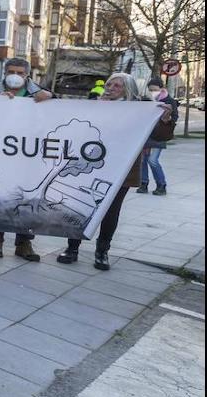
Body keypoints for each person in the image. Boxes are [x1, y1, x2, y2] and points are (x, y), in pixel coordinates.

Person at [56, 73, 175, 270]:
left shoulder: (141, 109)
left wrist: (165, 118)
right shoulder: (95, 105)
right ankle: (72, 248)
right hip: (91, 166)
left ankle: (102, 251)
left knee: (111, 211)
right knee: (81, 207)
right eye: (109, 84)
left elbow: (161, 136)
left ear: (127, 90)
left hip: (122, 169)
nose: (110, 88)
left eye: (117, 86)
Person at [0, 57, 52, 260]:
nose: (15, 76)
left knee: (28, 197)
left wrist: (51, 96)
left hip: (28, 156)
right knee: (0, 196)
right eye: (11, 71)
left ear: (27, 75)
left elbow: (54, 114)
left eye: (20, 73)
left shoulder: (39, 92)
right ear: (4, 72)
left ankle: (24, 242)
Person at [138, 77, 178, 195]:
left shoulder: (169, 101)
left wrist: (167, 117)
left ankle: (161, 185)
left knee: (152, 160)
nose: (152, 92)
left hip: (159, 135)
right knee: (143, 161)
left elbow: (174, 118)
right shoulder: (145, 100)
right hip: (146, 135)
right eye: (150, 90)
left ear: (162, 89)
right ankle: (143, 184)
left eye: (155, 89)